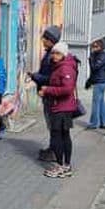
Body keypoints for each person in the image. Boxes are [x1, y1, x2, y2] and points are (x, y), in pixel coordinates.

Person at [37, 41, 78, 178]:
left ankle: (62, 166)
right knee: (62, 136)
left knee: (58, 137)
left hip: (62, 108)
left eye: (57, 53)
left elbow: (67, 89)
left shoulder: (65, 68)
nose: (54, 55)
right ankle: (65, 165)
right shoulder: (59, 65)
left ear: (64, 54)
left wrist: (48, 90)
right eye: (53, 53)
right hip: (60, 106)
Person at [27, 25, 61, 161]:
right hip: (47, 93)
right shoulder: (50, 53)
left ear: (50, 40)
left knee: (53, 124)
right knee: (51, 124)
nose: (42, 40)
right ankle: (52, 149)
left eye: (44, 38)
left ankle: (54, 152)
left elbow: (51, 78)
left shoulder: (53, 56)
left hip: (50, 94)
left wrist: (35, 76)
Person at [86, 39, 105, 129]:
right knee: (101, 102)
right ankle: (104, 122)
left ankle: (94, 123)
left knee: (96, 103)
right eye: (93, 46)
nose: (93, 48)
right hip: (102, 81)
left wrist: (91, 57)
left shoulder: (101, 56)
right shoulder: (102, 54)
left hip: (99, 82)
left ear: (101, 47)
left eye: (96, 47)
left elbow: (94, 67)